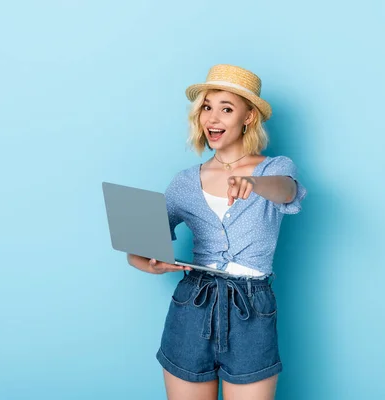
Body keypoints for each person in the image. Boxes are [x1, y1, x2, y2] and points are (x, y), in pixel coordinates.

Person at [127, 64, 307, 400]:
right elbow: (140, 247)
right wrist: (147, 262)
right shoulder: (183, 183)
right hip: (192, 305)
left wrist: (253, 183)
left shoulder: (275, 169)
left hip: (251, 308)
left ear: (248, 117)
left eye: (226, 109)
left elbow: (288, 192)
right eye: (207, 108)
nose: (213, 118)